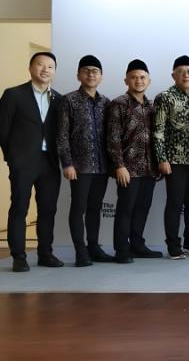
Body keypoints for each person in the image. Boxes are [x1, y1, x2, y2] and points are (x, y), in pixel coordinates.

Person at [0, 52, 63, 272]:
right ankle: (18, 256)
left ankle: (45, 253)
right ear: (30, 68)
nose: (45, 69)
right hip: (23, 161)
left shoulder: (59, 99)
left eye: (50, 66)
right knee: (20, 207)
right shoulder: (13, 95)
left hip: (50, 162)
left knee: (48, 209)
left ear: (54, 71)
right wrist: (12, 158)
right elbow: (3, 130)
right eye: (40, 65)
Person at [56, 54, 113, 267]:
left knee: (95, 208)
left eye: (95, 71)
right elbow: (62, 135)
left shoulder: (106, 102)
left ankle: (94, 248)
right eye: (86, 71)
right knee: (78, 208)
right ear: (78, 75)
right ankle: (81, 252)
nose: (91, 74)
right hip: (79, 166)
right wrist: (67, 163)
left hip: (102, 166)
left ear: (101, 76)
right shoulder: (68, 100)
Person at [106, 59, 162, 263]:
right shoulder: (118, 104)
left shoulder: (152, 106)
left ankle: (137, 245)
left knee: (142, 209)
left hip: (149, 169)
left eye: (142, 77)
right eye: (134, 77)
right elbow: (112, 138)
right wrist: (119, 166)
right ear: (126, 80)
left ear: (149, 80)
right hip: (128, 169)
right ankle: (122, 249)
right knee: (125, 210)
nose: (139, 81)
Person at [153, 55, 189, 260]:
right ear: (173, 75)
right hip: (174, 160)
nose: (186, 75)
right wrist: (162, 158)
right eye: (181, 72)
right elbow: (158, 131)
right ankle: (173, 245)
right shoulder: (165, 97)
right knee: (175, 203)